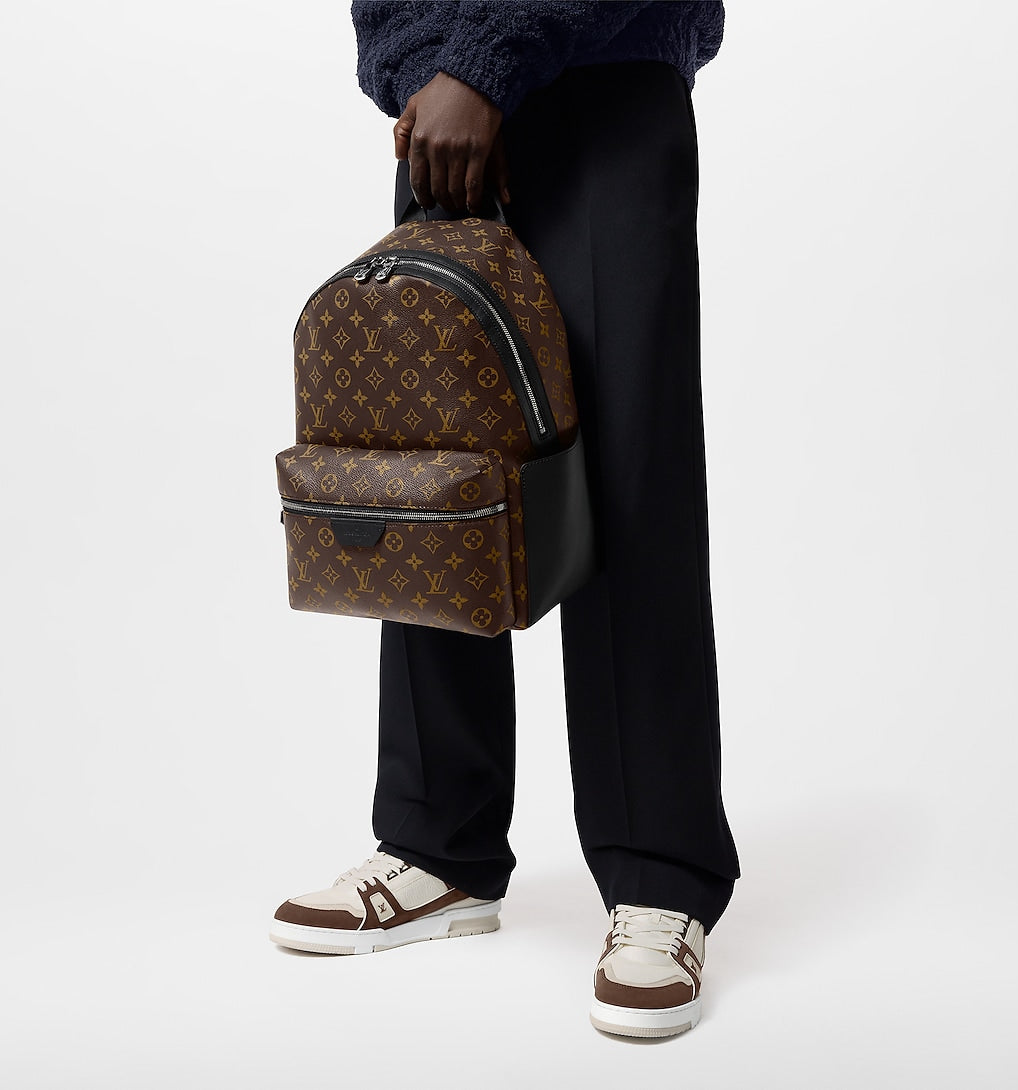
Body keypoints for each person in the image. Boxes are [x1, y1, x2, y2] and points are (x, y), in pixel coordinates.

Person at [269, 1, 741, 1040]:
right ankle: (440, 843)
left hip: (605, 78)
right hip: (444, 111)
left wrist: (482, 63)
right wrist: (422, 73)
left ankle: (659, 874)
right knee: (433, 471)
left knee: (631, 478)